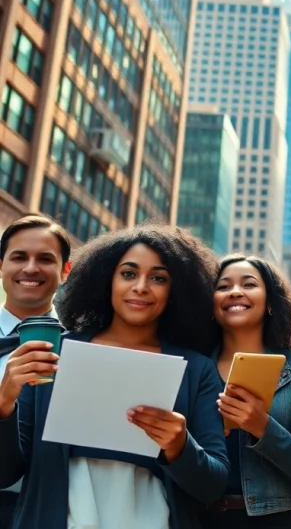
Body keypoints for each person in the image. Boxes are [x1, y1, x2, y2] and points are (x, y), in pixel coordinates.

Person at [0, 224, 229, 528]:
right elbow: (6, 473)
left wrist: (180, 446)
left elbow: (213, 485)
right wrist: (3, 405)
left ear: (176, 291)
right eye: (128, 274)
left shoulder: (196, 370)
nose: (141, 287)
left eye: (158, 278)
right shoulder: (56, 352)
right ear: (107, 279)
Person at [202, 255, 291, 529]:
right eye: (223, 286)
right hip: (197, 518)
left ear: (270, 301)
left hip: (275, 521)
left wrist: (263, 427)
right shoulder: (194, 366)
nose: (235, 292)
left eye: (248, 284)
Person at [0, 215, 73, 525]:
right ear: (1, 265)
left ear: (65, 271)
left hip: (47, 512)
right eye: (19, 257)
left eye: (45, 259)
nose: (31, 268)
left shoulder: (86, 349)